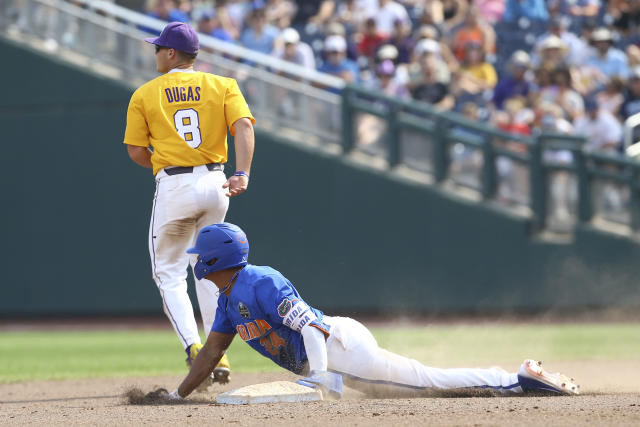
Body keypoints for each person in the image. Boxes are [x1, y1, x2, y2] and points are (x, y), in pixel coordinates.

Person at [155, 222, 580, 401]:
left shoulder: (260, 281)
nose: (197, 261)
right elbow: (210, 354)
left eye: (200, 256)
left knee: (426, 385)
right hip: (337, 352)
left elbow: (312, 328)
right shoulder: (229, 299)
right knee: (419, 383)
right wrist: (177, 396)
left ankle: (516, 379)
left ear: (215, 258)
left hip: (339, 348)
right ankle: (512, 378)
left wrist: (320, 378)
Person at [122, 22, 256, 388]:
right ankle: (220, 351)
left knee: (168, 272)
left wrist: (168, 167)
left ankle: (197, 348)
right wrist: (241, 173)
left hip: (174, 185)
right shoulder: (223, 85)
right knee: (210, 269)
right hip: (216, 182)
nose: (154, 54)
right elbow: (244, 126)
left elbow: (136, 151)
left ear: (170, 53)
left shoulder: (145, 94)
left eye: (158, 48)